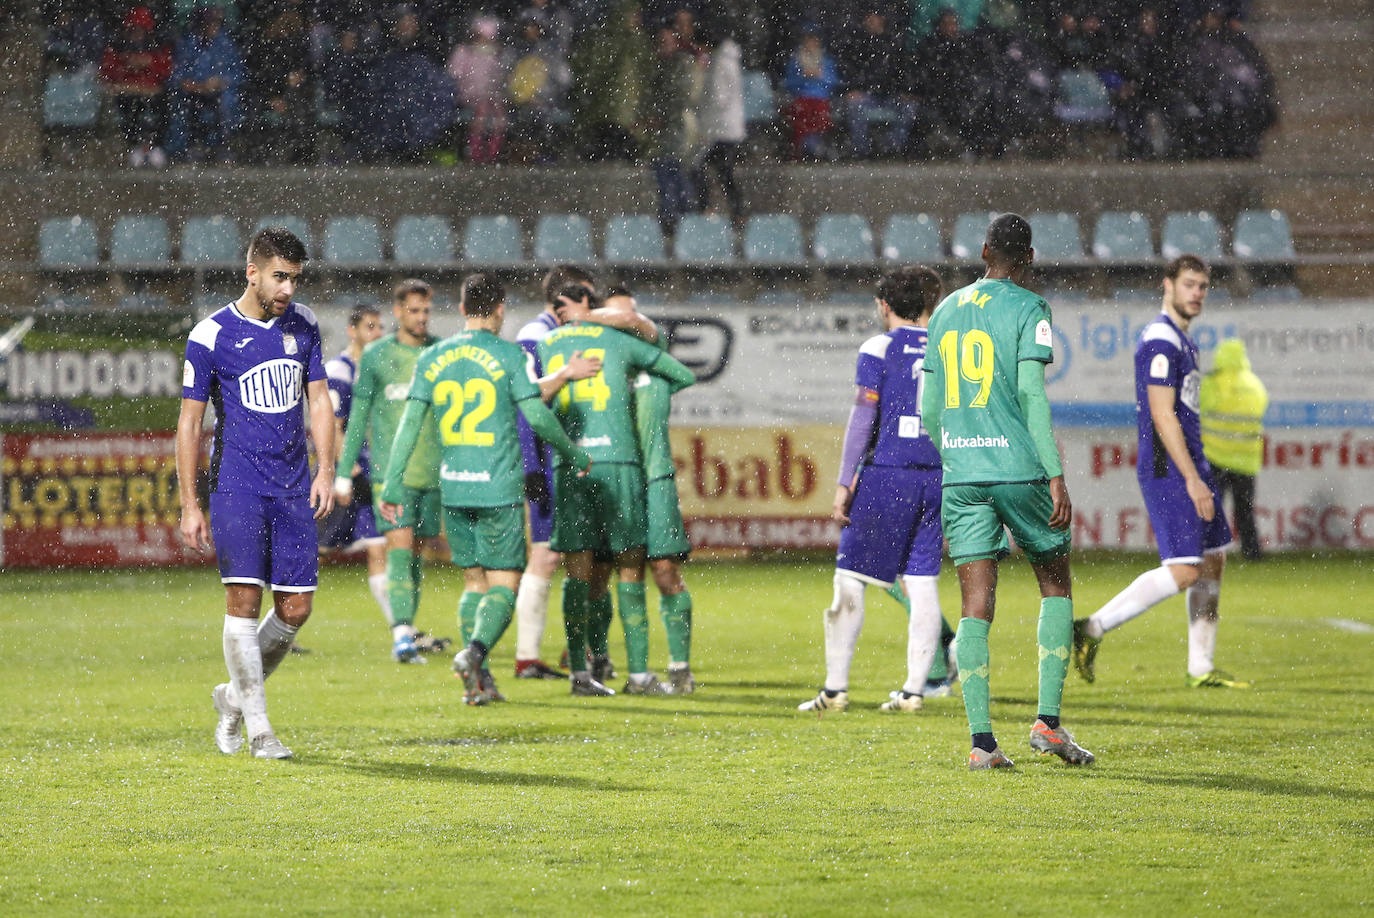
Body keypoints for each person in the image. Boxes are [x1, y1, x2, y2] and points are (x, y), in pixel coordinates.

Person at [922, 213, 1094, 770]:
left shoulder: (945, 310)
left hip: (962, 474)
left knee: (975, 604)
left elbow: (929, 406)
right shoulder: (1031, 308)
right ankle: (1047, 723)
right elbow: (1031, 395)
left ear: (983, 250)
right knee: (1054, 583)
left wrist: (956, 453)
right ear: (1030, 259)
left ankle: (982, 744)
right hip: (1018, 469)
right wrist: (1054, 472)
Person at [378, 274, 593, 705]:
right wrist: (573, 454)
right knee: (505, 586)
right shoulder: (509, 355)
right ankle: (474, 653)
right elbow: (537, 416)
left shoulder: (433, 357)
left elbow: (409, 425)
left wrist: (393, 482)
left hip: (454, 489)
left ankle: (478, 683)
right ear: (499, 308)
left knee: (473, 584)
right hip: (499, 489)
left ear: (460, 309)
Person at [176, 226, 334, 760]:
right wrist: (190, 504)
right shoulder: (210, 335)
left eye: (295, 278)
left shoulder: (304, 325)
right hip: (237, 486)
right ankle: (261, 728)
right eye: (279, 276)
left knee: (296, 609)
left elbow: (319, 402)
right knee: (243, 599)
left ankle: (233, 699)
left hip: (293, 489)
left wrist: (326, 469)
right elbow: (189, 423)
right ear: (253, 272)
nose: (288, 288)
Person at [1073, 255, 1250, 688]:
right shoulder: (1160, 340)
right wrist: (1190, 478)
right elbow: (1162, 414)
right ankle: (1090, 628)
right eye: (1189, 284)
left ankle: (1200, 667)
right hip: (1169, 467)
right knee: (1186, 568)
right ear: (1166, 285)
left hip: (1192, 462)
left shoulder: (1183, 341)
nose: (1197, 293)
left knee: (1212, 560)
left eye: (1203, 286)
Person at [798, 266, 955, 716]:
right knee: (923, 583)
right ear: (930, 304)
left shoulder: (879, 347)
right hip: (938, 475)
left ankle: (835, 690)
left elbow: (864, 419)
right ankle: (913, 691)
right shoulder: (950, 348)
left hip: (889, 474)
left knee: (850, 579)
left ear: (883, 306)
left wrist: (845, 483)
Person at [538, 287, 697, 695]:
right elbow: (683, 373)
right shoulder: (623, 343)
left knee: (584, 574)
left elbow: (530, 402)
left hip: (575, 464)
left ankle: (584, 673)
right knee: (626, 569)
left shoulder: (546, 345)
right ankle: (632, 672)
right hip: (622, 464)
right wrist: (640, 398)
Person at [334, 279, 447, 665]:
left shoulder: (439, 353)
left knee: (416, 553)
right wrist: (344, 474)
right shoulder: (378, 357)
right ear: (398, 312)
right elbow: (358, 417)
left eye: (426, 311)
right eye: (413, 310)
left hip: (431, 473)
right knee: (399, 548)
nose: (420, 318)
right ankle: (401, 633)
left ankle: (407, 628)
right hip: (389, 474)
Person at [511, 266, 604, 679]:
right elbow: (524, 403)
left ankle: (576, 650)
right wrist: (532, 466)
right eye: (585, 296)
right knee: (546, 555)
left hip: (569, 461)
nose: (592, 304)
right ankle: (527, 657)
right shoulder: (535, 336)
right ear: (561, 300)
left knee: (581, 557)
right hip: (547, 462)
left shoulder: (567, 336)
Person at [319, 305, 395, 631]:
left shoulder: (375, 368)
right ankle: (277, 622)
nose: (377, 333)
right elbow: (332, 425)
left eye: (379, 327)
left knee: (380, 546)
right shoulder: (340, 369)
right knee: (314, 552)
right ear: (352, 331)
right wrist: (344, 472)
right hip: (346, 476)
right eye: (370, 326)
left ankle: (401, 629)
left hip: (366, 473)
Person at [1200, 338, 1267, 561]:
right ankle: (1252, 553)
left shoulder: (1213, 383)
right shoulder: (1254, 384)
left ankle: (1208, 552)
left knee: (1210, 509)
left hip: (1216, 456)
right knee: (1245, 511)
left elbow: (1199, 408)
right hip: (1247, 461)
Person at [166, 6, 244, 164]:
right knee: (185, 105)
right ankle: (190, 147)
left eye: (216, 23)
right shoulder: (187, 44)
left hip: (219, 92)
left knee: (226, 103)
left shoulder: (226, 44)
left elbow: (239, 73)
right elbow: (176, 73)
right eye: (209, 23)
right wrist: (189, 84)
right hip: (193, 92)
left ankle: (223, 147)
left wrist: (220, 81)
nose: (213, 27)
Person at [98, 6, 172, 168]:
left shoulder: (158, 48)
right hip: (126, 95)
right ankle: (135, 146)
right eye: (134, 29)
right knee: (128, 108)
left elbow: (166, 72)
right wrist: (127, 67)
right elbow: (107, 75)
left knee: (161, 108)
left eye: (141, 29)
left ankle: (155, 146)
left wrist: (149, 63)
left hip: (153, 95)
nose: (137, 34)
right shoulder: (116, 48)